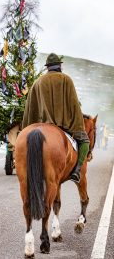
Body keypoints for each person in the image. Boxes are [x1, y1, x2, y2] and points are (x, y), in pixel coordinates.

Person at [22, 53, 90, 183]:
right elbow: (74, 105)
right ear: (59, 66)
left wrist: (27, 128)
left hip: (41, 125)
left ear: (48, 67)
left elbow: (30, 108)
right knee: (85, 141)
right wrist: (77, 126)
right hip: (64, 125)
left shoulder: (38, 82)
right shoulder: (66, 80)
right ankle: (76, 171)